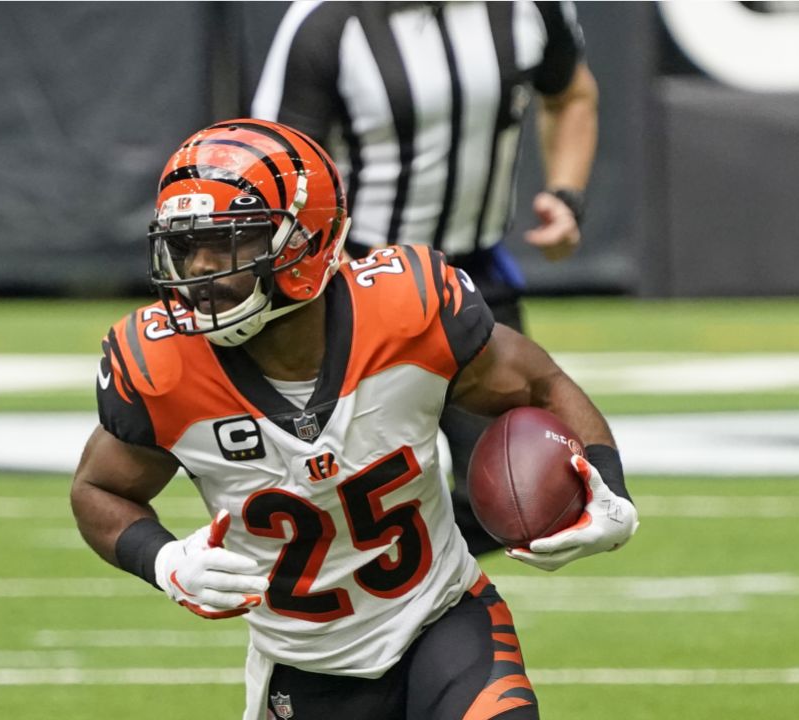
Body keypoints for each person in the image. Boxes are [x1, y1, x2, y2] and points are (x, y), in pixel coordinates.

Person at [70, 119, 636, 720]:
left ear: (304, 242)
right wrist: (162, 560)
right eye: (185, 247)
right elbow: (99, 488)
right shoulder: (163, 369)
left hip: (442, 619)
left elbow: (540, 383)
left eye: (227, 243)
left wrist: (609, 489)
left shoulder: (406, 314)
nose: (199, 272)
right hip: (305, 669)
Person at [250, 0, 600, 556]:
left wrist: (566, 194)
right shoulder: (327, 21)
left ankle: (418, 591)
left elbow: (572, 93)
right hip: (353, 285)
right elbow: (276, 167)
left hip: (472, 279)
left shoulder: (528, 9)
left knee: (524, 492)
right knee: (331, 500)